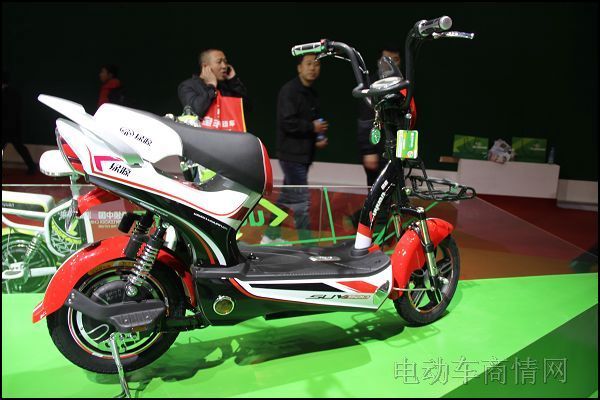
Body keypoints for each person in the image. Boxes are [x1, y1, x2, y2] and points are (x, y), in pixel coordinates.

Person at [261, 54, 328, 244]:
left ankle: (270, 236)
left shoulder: (312, 93)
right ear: (299, 68)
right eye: (309, 64)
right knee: (301, 202)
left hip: (304, 155)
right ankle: (307, 244)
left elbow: (312, 121)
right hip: (291, 155)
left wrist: (317, 138)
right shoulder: (289, 91)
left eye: (317, 64)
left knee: (287, 199)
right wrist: (312, 127)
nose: (313, 68)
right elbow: (287, 122)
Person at [177, 48, 248, 120]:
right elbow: (195, 112)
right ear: (205, 66)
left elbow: (245, 109)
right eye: (219, 62)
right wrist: (212, 86)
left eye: (225, 62)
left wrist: (233, 81)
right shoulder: (188, 85)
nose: (224, 66)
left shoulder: (225, 87)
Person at [2, 70, 36, 175]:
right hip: (13, 126)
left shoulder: (9, 94)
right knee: (20, 147)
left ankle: (32, 166)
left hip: (9, 127)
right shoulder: (14, 93)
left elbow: (11, 112)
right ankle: (32, 166)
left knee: (20, 147)